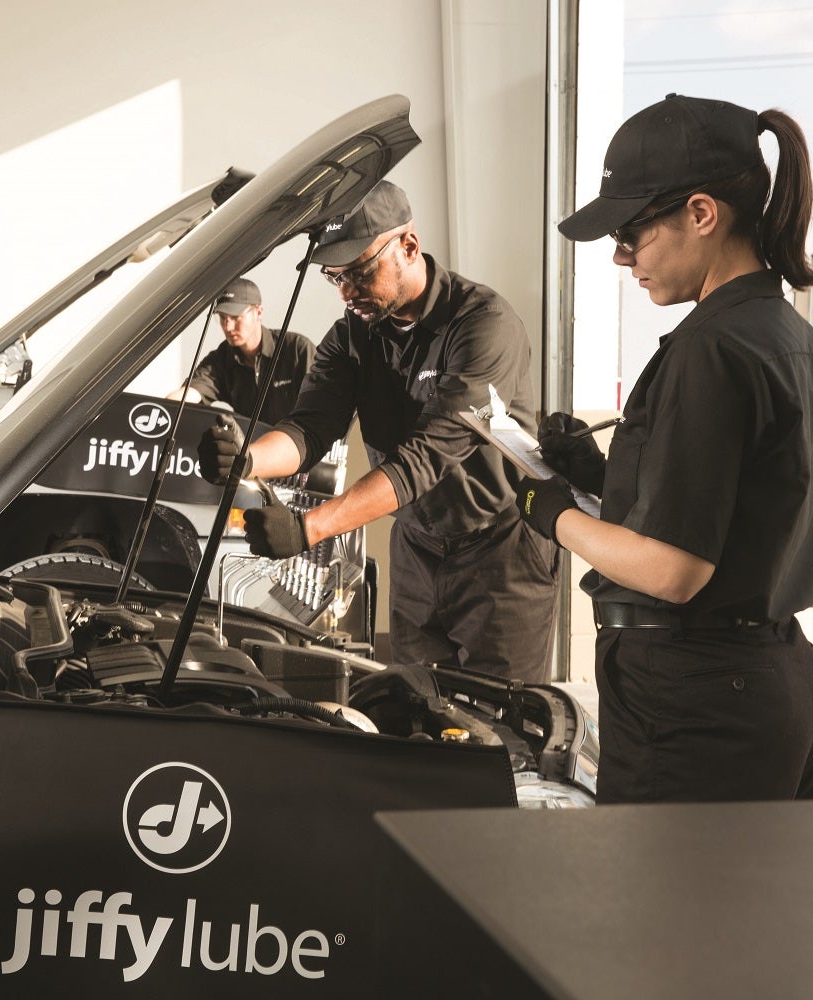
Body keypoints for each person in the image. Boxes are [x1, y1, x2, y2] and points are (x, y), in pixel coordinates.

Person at [514, 93, 813, 803]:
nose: (620, 256)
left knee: (667, 883)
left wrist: (554, 517)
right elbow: (733, 512)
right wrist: (598, 478)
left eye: (632, 232)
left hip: (699, 700)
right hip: (779, 679)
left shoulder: (710, 349)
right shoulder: (789, 336)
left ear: (701, 213)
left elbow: (674, 571)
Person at [199, 181, 558, 684]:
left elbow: (425, 459)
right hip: (416, 549)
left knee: (503, 717)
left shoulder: (483, 324)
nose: (347, 293)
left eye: (360, 272)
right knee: (414, 705)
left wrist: (308, 528)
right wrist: (247, 459)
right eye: (335, 278)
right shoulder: (352, 336)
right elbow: (310, 427)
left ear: (408, 246)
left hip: (499, 551)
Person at [168, 278, 315, 426]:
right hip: (251, 441)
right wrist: (165, 410)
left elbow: (321, 406)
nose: (228, 327)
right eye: (222, 318)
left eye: (235, 317)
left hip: (299, 439)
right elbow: (189, 394)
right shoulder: (220, 360)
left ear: (258, 312)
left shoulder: (297, 350)